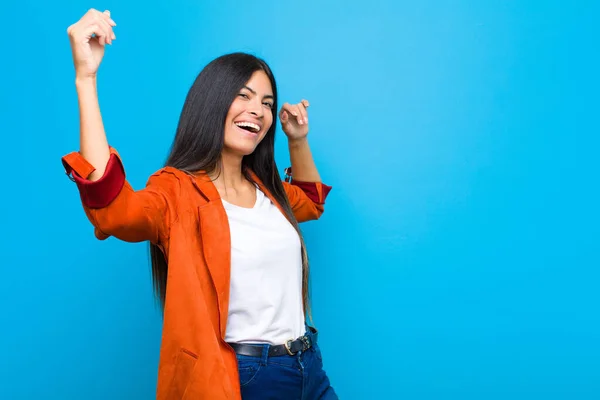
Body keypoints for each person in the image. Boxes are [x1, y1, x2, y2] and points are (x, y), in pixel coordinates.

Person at [62, 8, 337, 400]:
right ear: (212, 102)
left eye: (266, 102)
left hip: (308, 365)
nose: (257, 111)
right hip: (244, 377)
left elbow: (310, 203)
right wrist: (85, 79)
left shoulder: (268, 189)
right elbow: (113, 211)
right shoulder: (177, 192)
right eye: (242, 96)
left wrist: (297, 139)